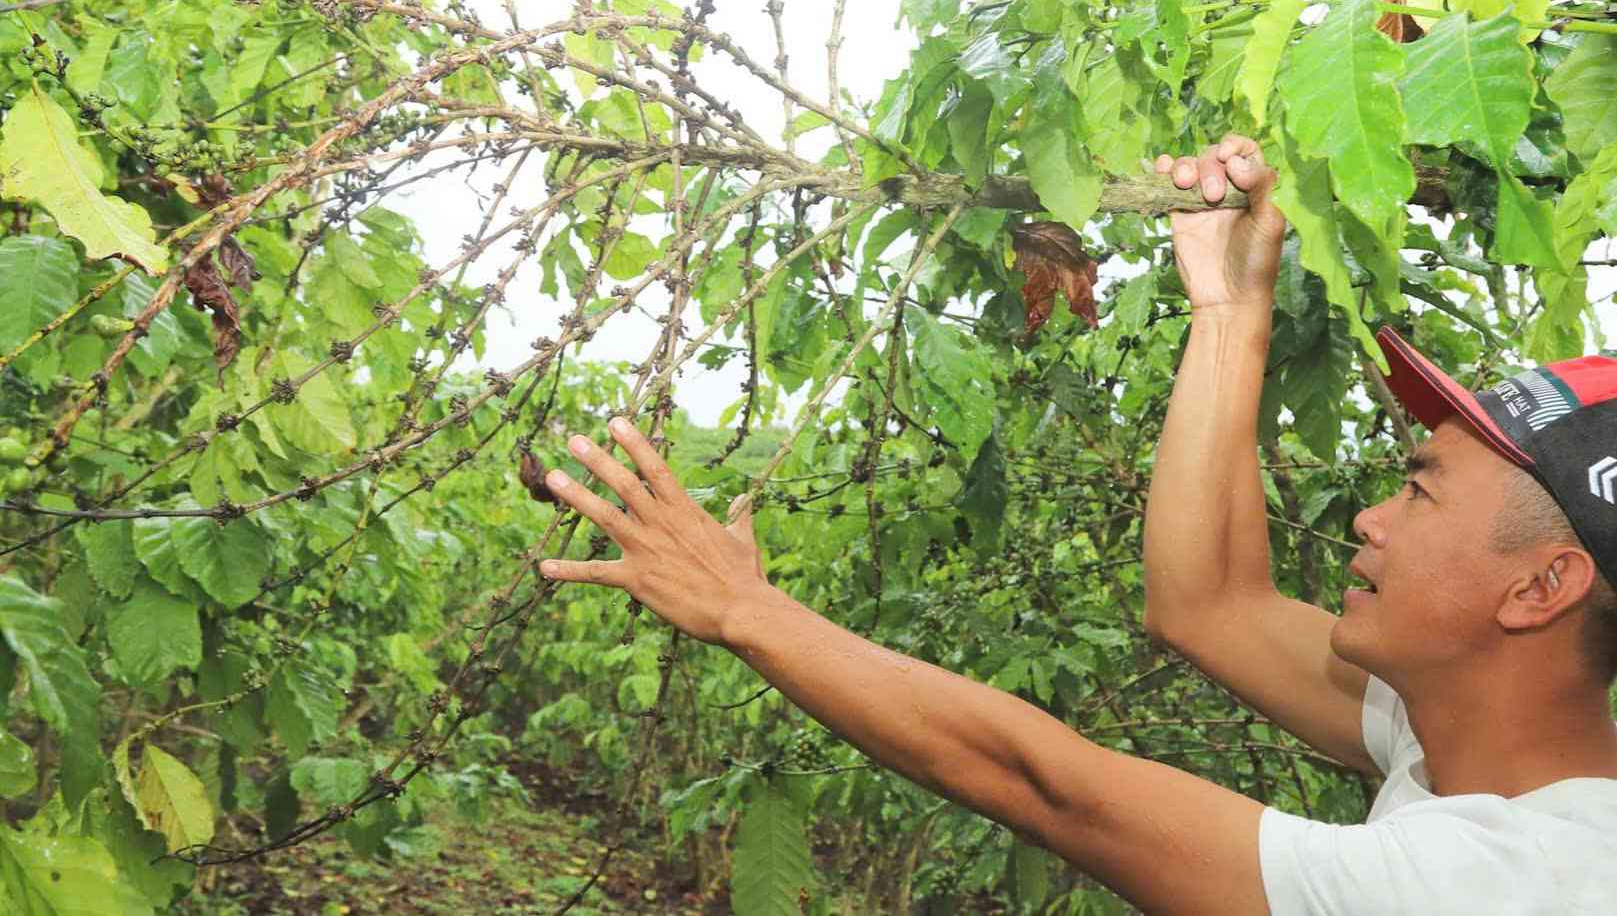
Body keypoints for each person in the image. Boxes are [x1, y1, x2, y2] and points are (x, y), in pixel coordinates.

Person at [536, 134, 1617, 913]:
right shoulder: (1461, 741)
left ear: (1541, 586)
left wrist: (745, 607)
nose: (1372, 517)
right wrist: (1231, 307)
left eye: (1420, 490)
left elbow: (1046, 783)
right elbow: (1211, 602)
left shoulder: (1509, 881)